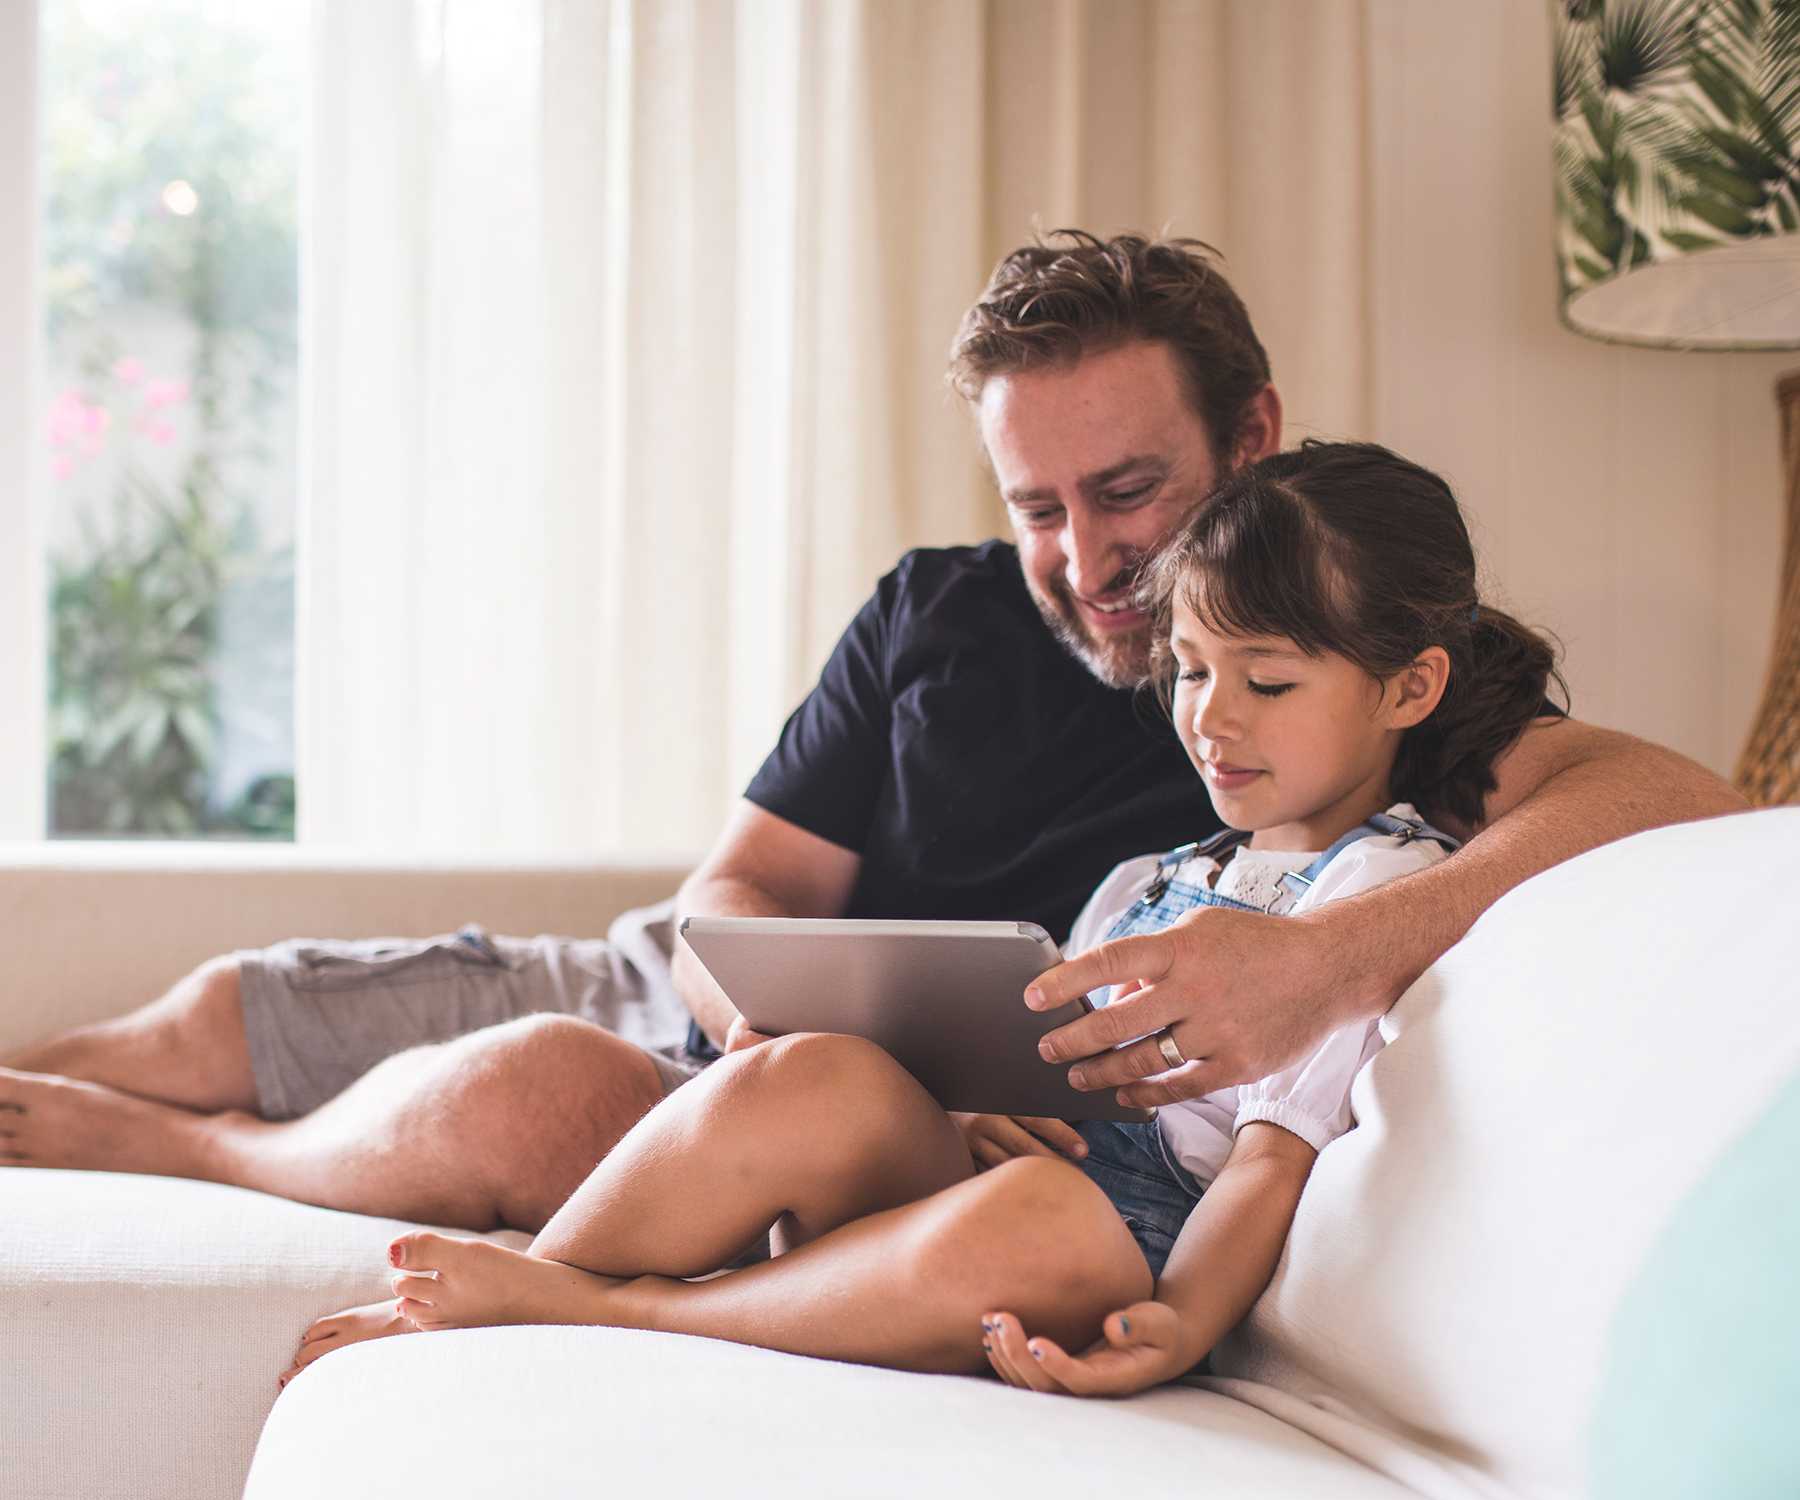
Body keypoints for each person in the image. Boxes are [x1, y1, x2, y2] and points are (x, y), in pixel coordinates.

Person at [0, 232, 1741, 1280]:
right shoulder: (938, 610)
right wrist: (755, 989)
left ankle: (189, 1154)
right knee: (224, 1012)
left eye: (1129, 490)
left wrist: (1316, 957)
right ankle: (105, 1092)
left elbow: (1685, 803)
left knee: (537, 1090)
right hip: (713, 1007)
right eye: (1039, 506)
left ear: (1252, 436)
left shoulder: (1322, 671)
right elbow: (751, 882)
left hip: (849, 1122)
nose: (1088, 556)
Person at [284, 441, 1556, 1393]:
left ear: (1411, 687)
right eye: (1192, 670)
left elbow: (1271, 1158)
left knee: (1047, 1219)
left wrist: (1184, 1319)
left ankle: (612, 1311)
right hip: (1013, 1180)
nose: (1210, 720)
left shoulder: (1373, 890)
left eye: (1266, 682)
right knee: (818, 1073)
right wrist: (952, 1098)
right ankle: (542, 1281)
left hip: (1117, 1244)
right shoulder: (1156, 877)